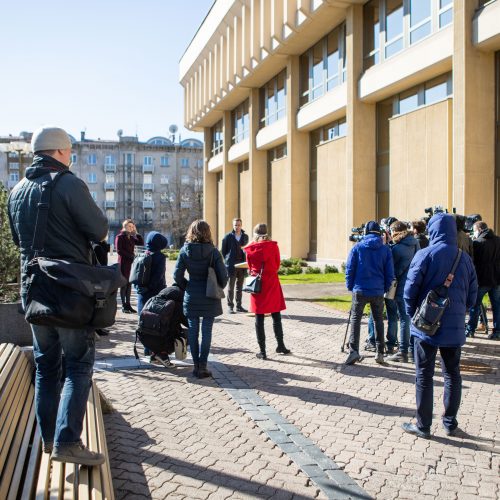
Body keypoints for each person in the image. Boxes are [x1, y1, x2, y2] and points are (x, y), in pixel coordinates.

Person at [8, 126, 108, 466]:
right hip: (68, 294)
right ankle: (68, 441)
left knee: (45, 368)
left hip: (33, 294)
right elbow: (98, 229)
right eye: (70, 153)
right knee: (78, 366)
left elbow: (18, 241)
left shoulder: (17, 190)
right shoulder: (68, 183)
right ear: (62, 152)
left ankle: (50, 440)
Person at [402, 213, 477, 439]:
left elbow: (409, 290)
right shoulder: (465, 259)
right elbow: (472, 298)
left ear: (433, 230)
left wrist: (413, 315)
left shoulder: (425, 255)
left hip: (426, 326)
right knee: (452, 374)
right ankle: (450, 422)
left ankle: (423, 425)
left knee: (424, 374)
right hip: (454, 327)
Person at [173, 220, 228, 378]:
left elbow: (177, 276)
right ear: (207, 232)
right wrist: (216, 286)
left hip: (192, 295)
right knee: (207, 331)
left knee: (193, 331)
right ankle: (203, 366)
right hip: (210, 296)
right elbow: (224, 278)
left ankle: (195, 366)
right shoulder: (214, 252)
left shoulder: (184, 251)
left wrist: (188, 286)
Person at [345, 221, 394, 365]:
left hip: (360, 289)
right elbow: (389, 274)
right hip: (377, 290)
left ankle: (354, 351)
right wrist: (384, 288)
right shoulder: (385, 250)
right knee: (378, 320)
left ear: (366, 232)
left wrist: (350, 286)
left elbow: (350, 269)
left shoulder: (358, 247)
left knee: (356, 319)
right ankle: (380, 352)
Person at [245, 223, 290, 359]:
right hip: (272, 283)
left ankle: (262, 351)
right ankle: (280, 345)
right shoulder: (273, 246)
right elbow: (277, 265)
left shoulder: (250, 249)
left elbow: (249, 266)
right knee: (276, 315)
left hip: (257, 284)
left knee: (259, 317)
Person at [386, 221, 420, 363]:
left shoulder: (397, 249)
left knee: (404, 319)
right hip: (414, 286)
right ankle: (412, 351)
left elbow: (392, 271)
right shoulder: (415, 244)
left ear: (395, 231)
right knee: (412, 319)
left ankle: (403, 351)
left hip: (401, 288)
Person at [136, 231, 168, 360]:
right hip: (155, 294)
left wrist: (141, 288)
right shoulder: (160, 257)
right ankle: (154, 351)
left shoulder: (142, 254)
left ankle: (146, 349)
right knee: (154, 324)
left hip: (142, 295)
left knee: (143, 322)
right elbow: (158, 276)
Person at [466, 221, 500, 340]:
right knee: (497, 306)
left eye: (474, 230)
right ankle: (497, 331)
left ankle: (470, 330)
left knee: (475, 306)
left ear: (479, 230)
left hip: (482, 279)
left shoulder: (477, 243)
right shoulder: (498, 240)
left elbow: (473, 261)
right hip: (496, 279)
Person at [115, 219, 144, 313]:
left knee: (129, 284)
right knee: (124, 284)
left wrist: (136, 232)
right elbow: (119, 250)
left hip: (131, 264)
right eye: (129, 226)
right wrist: (131, 256)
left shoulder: (131, 237)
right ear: (124, 227)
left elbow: (141, 243)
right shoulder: (120, 237)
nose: (130, 228)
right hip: (123, 263)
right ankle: (124, 306)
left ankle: (128, 305)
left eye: (132, 227)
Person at [221, 218, 249, 314]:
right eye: (235, 225)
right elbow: (223, 251)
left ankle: (239, 306)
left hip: (242, 265)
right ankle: (230, 306)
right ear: (233, 226)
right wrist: (227, 261)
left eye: (238, 225)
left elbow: (247, 250)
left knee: (239, 287)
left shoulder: (245, 237)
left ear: (241, 225)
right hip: (231, 265)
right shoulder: (228, 237)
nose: (237, 227)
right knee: (231, 287)